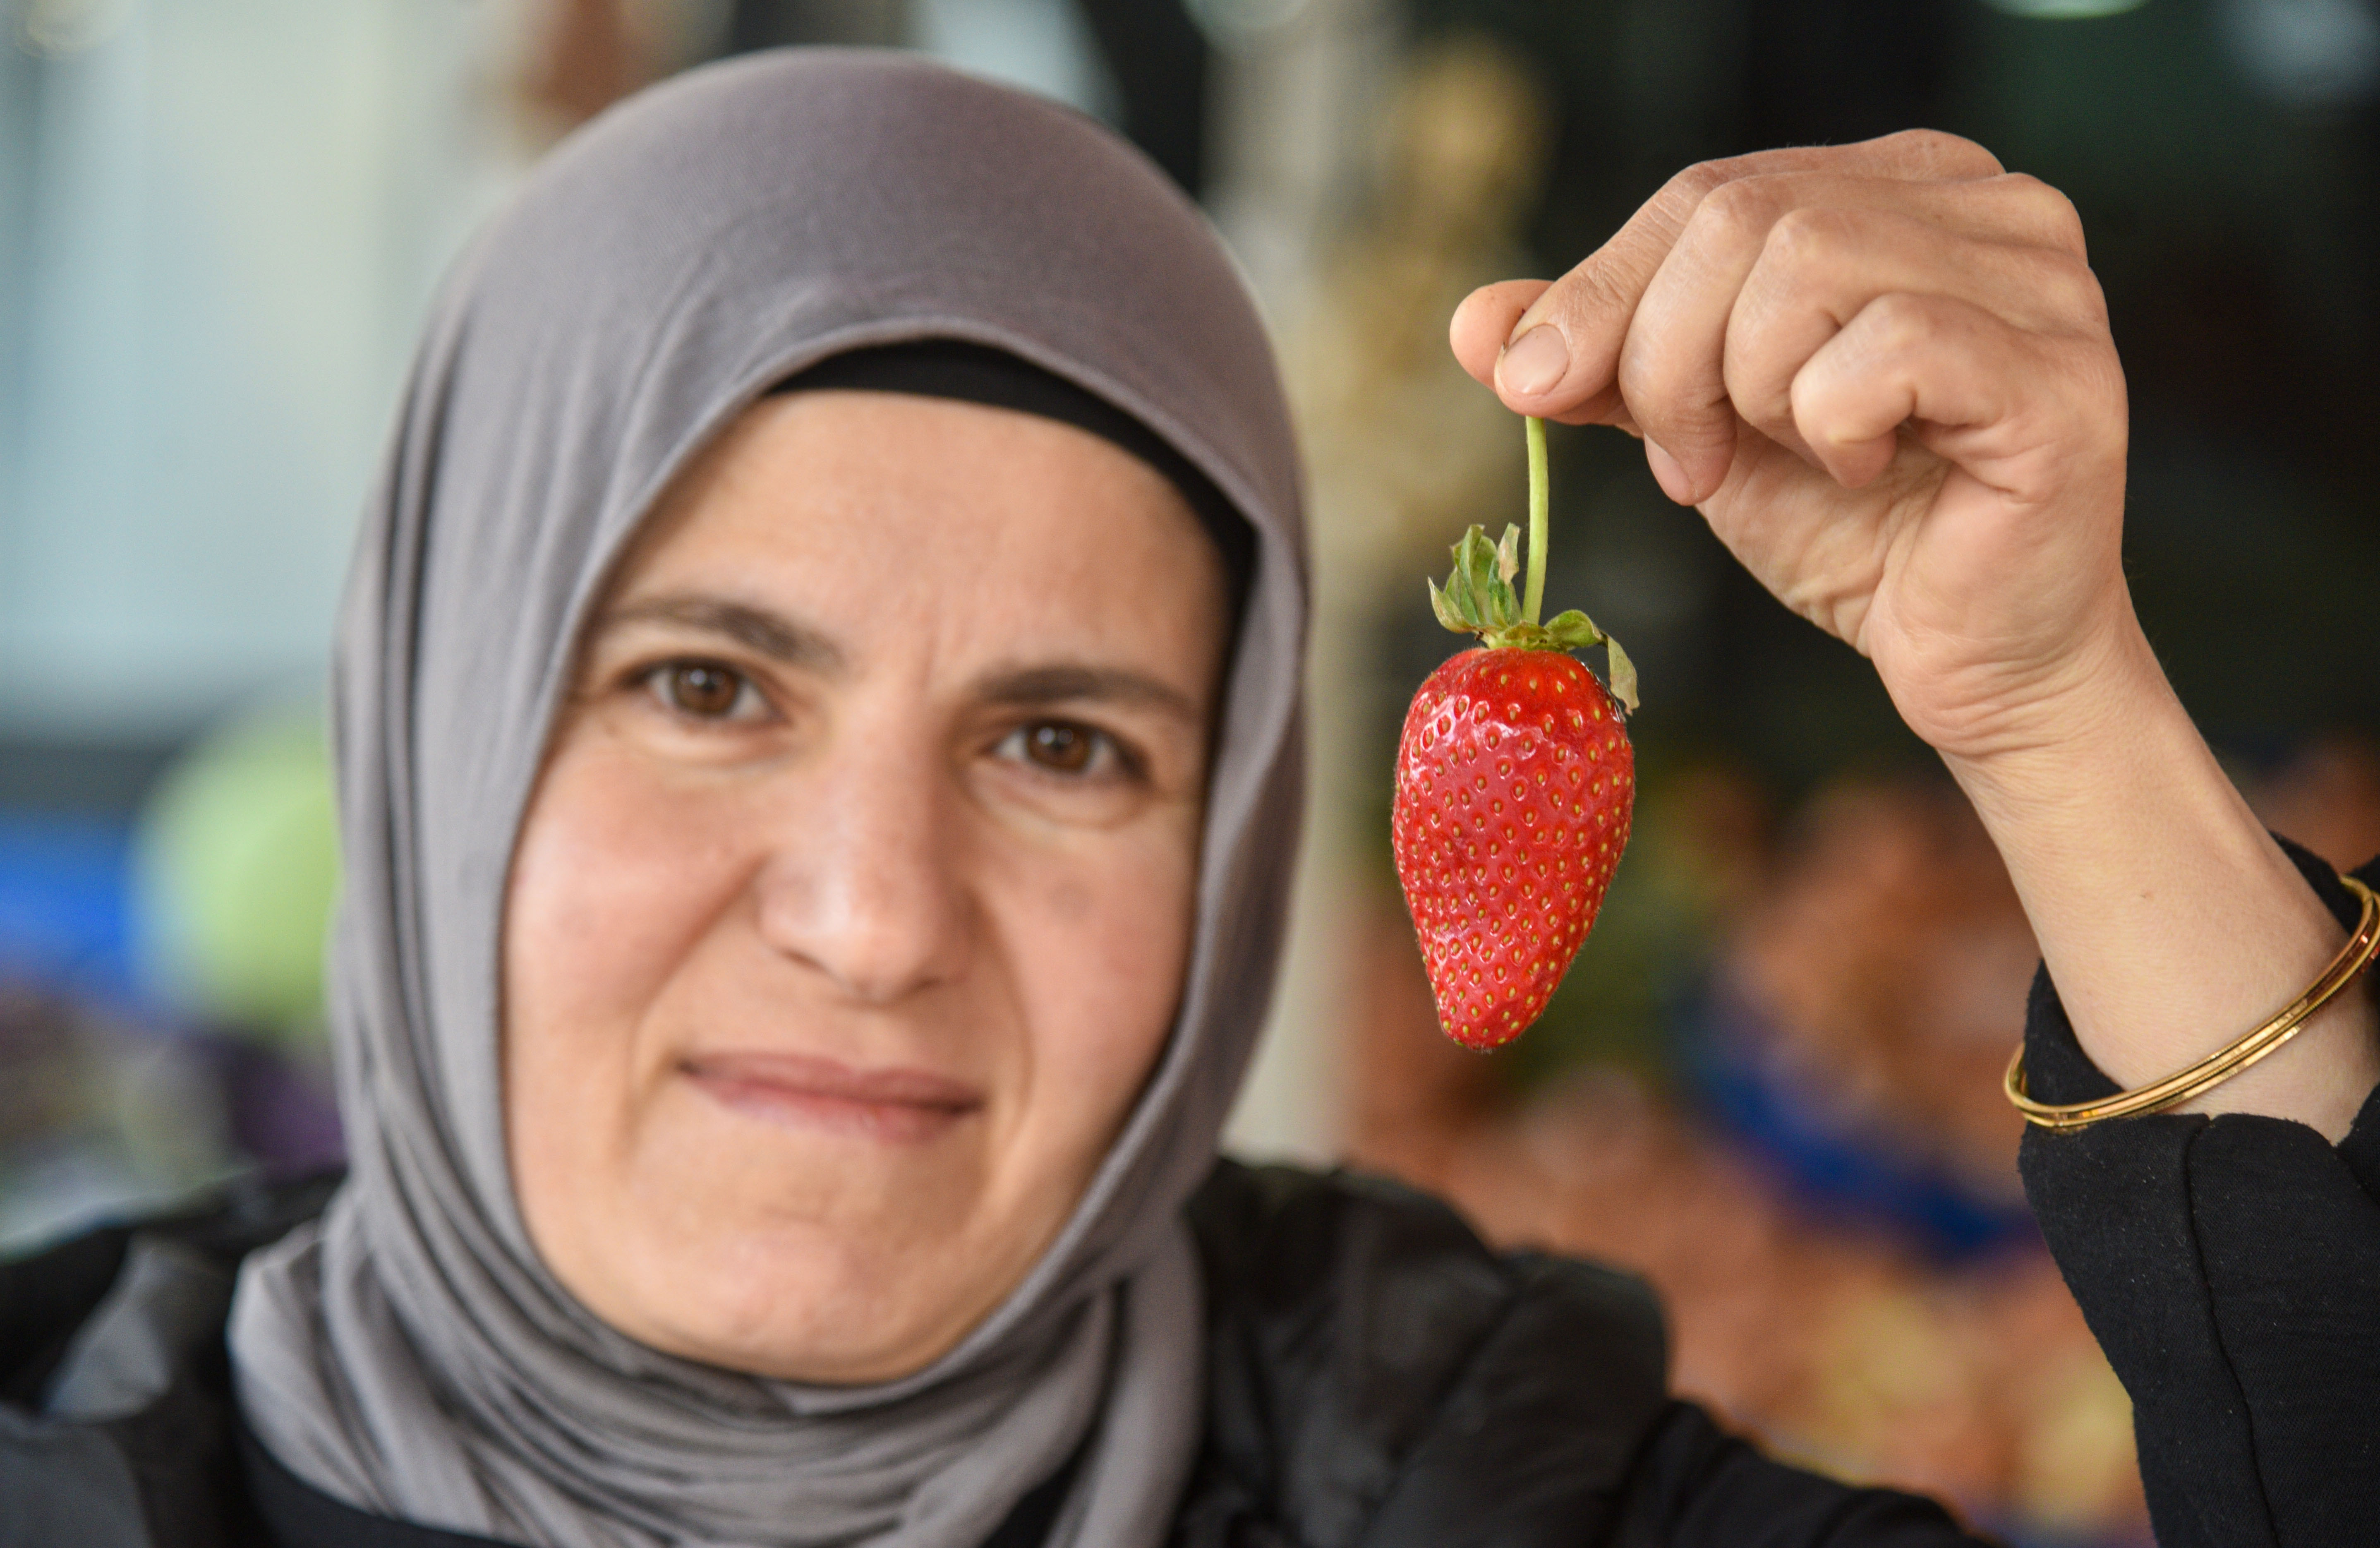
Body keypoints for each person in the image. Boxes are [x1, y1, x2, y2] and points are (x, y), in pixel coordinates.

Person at [1, 49, 2373, 1548]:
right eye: (707, 685)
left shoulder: (1472, 1476)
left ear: (1230, 846)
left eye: (1065, 744)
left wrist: (2059, 709)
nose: (870, 914)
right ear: (432, 743)